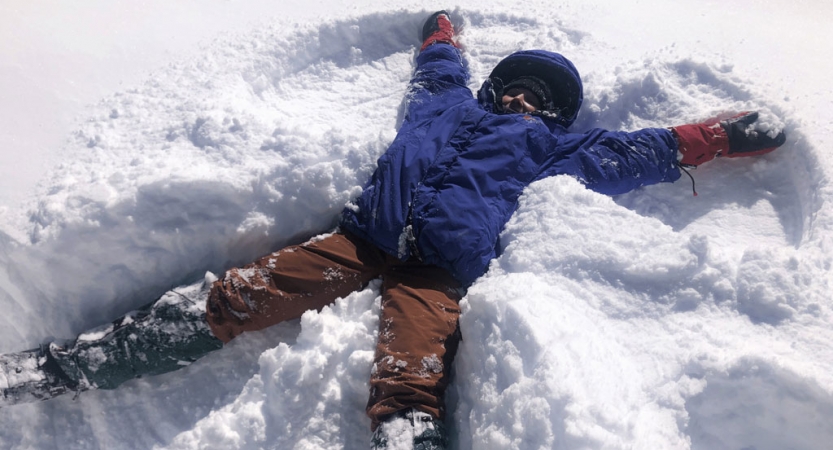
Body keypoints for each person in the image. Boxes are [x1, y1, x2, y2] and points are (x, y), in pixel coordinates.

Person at [0, 11, 786, 450]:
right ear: (494, 89)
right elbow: (439, 72)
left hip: (438, 272)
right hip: (362, 239)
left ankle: (406, 435)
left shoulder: (555, 148)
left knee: (412, 364)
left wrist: (719, 138)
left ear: (553, 116)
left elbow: (633, 153)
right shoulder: (445, 106)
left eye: (537, 100)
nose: (521, 104)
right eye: (513, 90)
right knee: (244, 294)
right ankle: (80, 363)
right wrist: (440, 34)